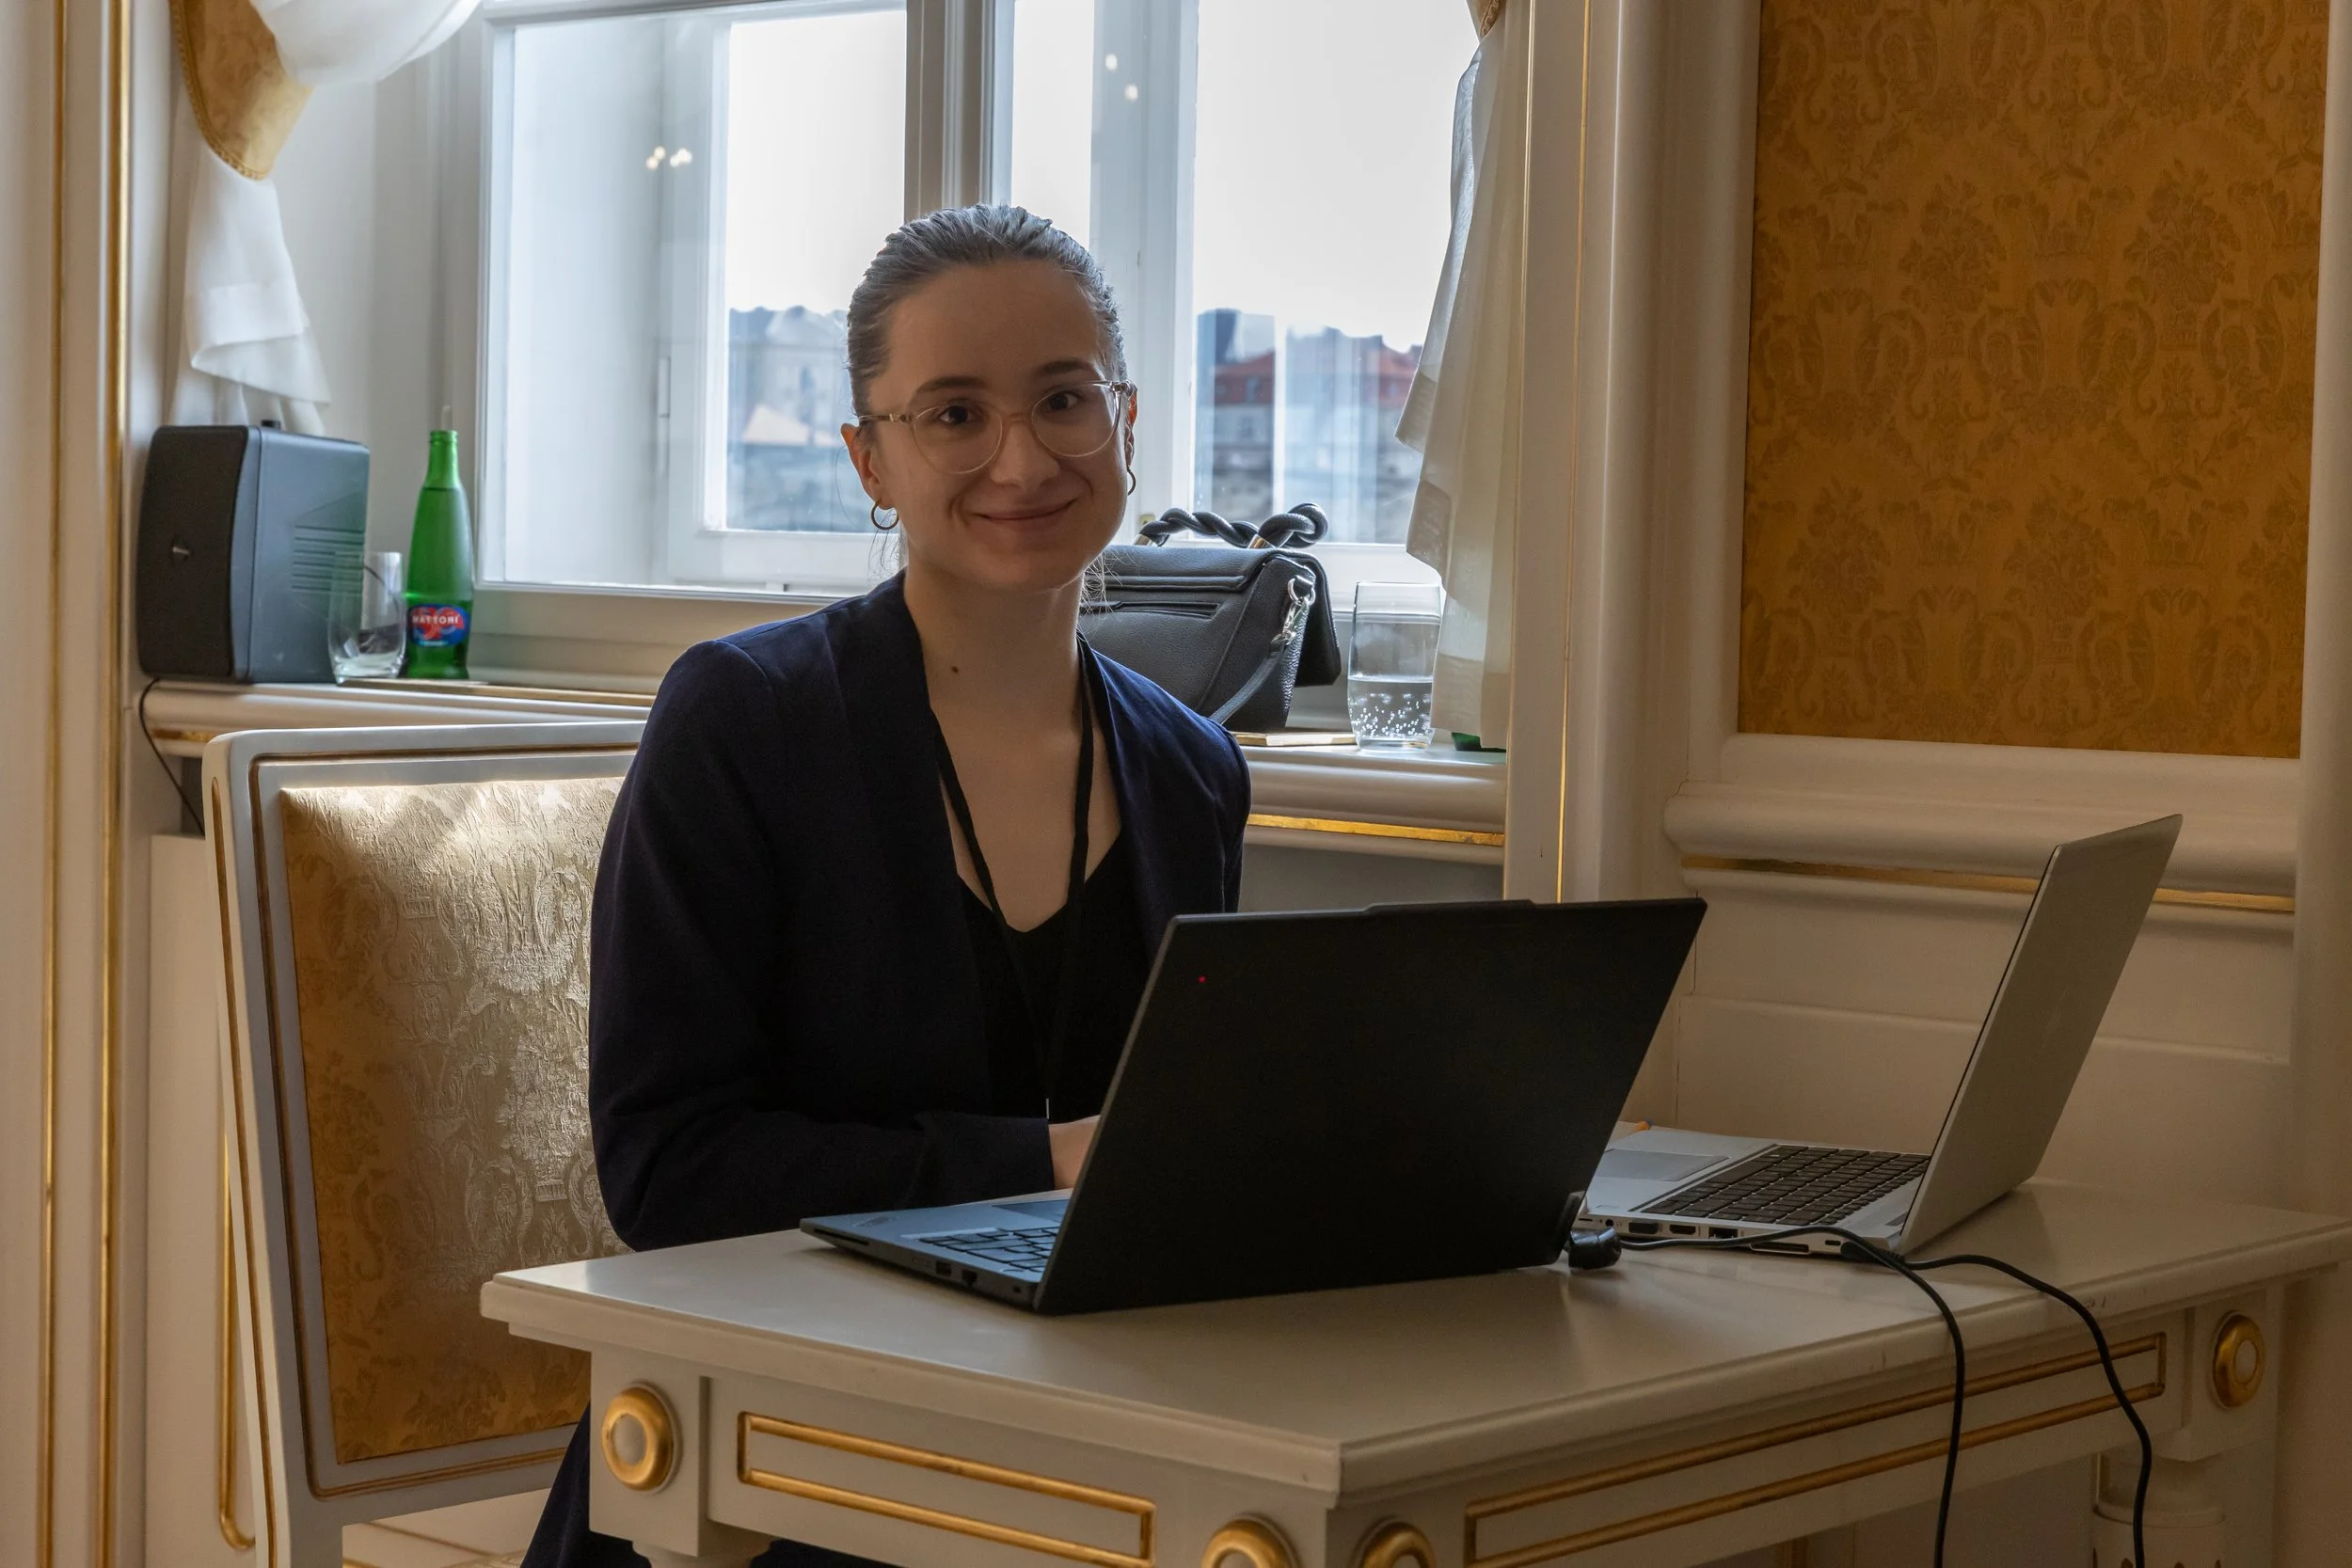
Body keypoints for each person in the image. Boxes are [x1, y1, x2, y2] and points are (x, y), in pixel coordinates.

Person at [521, 206, 1251, 1567]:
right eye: (954, 413)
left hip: (1087, 1455)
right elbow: (666, 1169)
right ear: (869, 458)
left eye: (1063, 399)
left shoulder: (1193, 769)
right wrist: (1044, 1164)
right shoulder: (738, 718)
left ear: (1129, 424)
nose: (1022, 456)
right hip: (767, 1469)